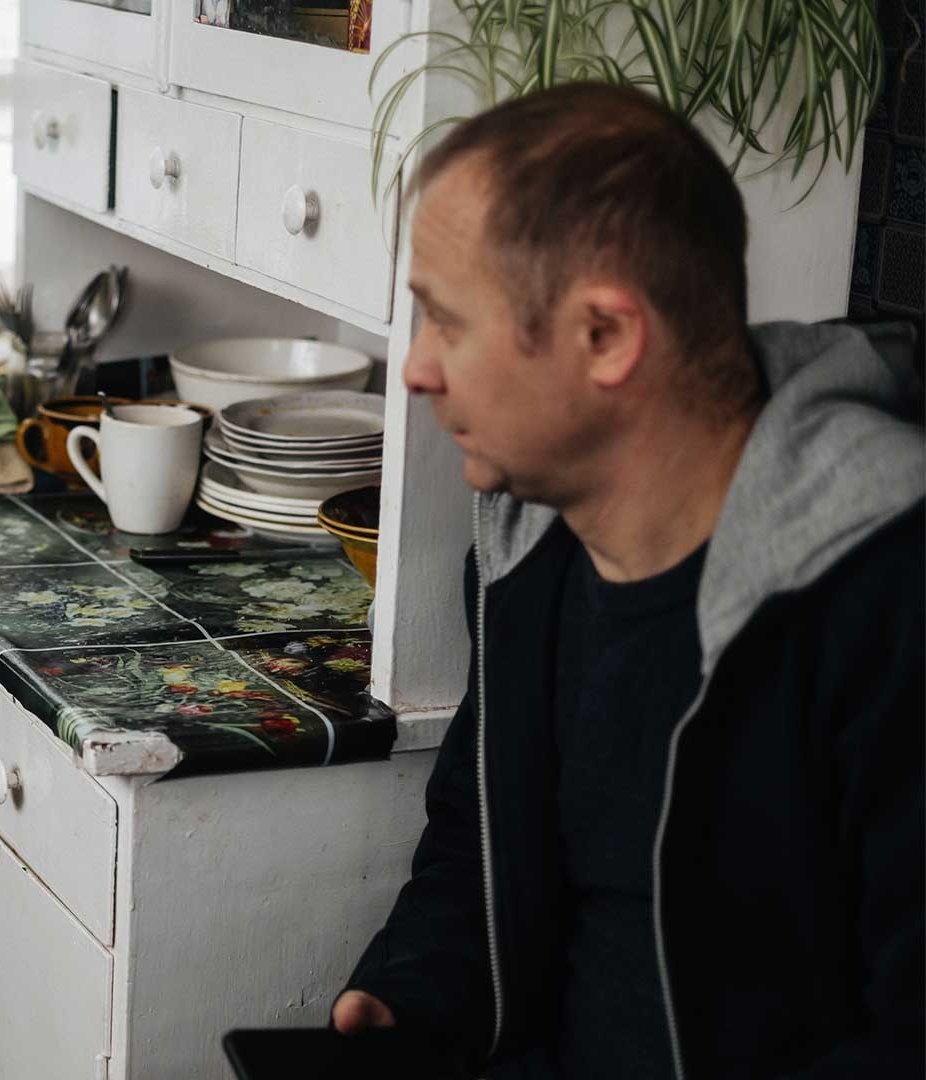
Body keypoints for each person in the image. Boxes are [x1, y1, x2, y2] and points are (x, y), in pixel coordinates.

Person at [332, 83, 923, 1078]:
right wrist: (410, 996)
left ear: (606, 336)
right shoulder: (528, 552)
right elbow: (473, 850)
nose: (416, 370)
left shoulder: (886, 591)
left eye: (444, 320)